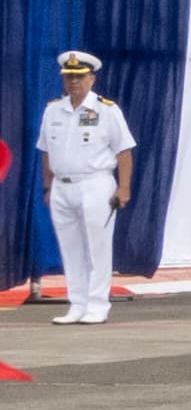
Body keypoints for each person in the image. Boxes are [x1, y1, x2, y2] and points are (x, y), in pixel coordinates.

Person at [33, 51, 133, 323]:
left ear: (92, 78)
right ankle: (76, 304)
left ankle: (98, 305)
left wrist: (123, 188)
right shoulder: (53, 109)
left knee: (97, 247)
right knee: (70, 247)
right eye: (69, 77)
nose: (73, 82)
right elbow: (45, 151)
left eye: (79, 77)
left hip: (96, 183)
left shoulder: (106, 109)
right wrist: (47, 187)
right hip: (62, 186)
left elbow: (123, 151)